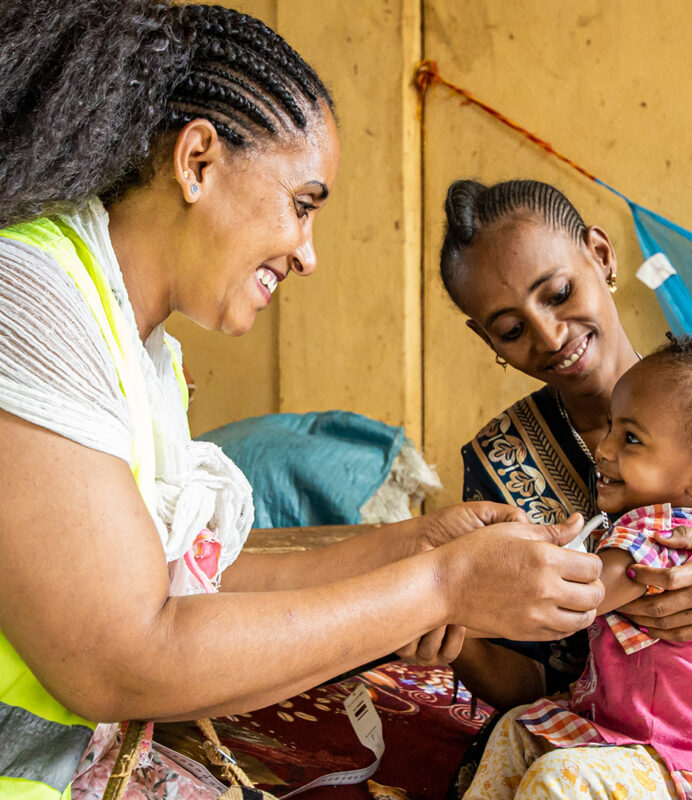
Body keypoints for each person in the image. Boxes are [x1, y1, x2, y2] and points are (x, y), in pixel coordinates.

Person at [0, 7, 606, 799]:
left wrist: (413, 546)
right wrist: (440, 587)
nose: (309, 254)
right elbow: (126, 658)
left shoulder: (130, 340)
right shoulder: (30, 297)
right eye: (303, 203)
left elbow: (187, 584)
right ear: (197, 161)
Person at [434, 178, 692, 792]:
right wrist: (452, 633)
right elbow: (535, 683)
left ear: (601, 257)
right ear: (485, 339)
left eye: (558, 293)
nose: (550, 336)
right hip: (607, 737)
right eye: (510, 329)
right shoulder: (502, 460)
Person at [462, 334, 692, 799]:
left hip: (685, 758)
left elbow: (577, 594)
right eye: (611, 427)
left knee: (560, 778)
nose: (603, 448)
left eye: (631, 438)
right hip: (635, 734)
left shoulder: (659, 533)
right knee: (515, 732)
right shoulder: (682, 522)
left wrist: (467, 579)